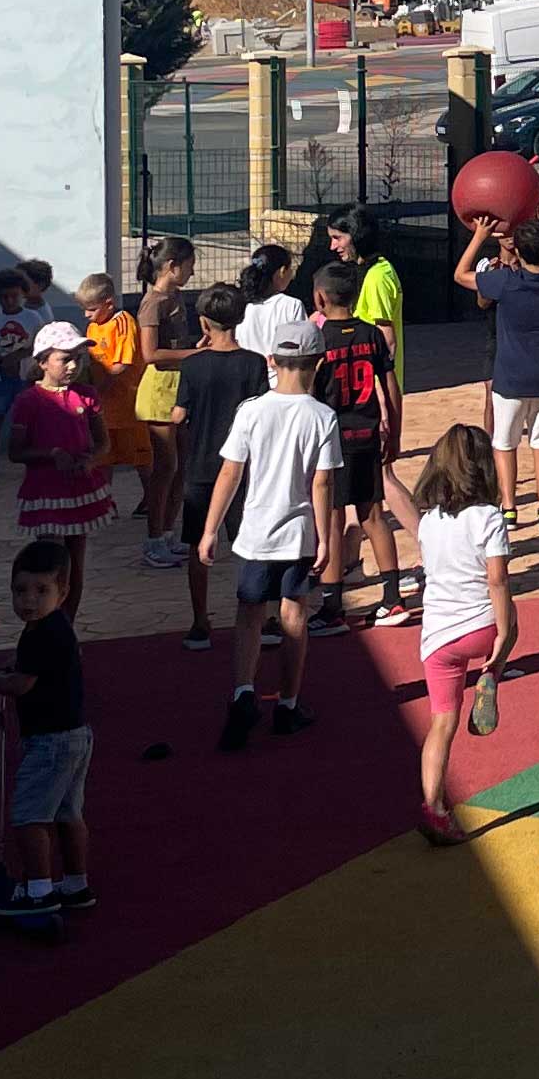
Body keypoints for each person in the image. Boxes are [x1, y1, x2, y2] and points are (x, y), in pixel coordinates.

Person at [203, 323, 345, 751]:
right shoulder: (322, 416)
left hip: (255, 532)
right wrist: (324, 538)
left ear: (271, 362)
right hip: (298, 533)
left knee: (248, 612)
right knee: (293, 615)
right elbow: (322, 484)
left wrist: (211, 529)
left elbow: (231, 471)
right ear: (318, 364)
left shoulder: (251, 411)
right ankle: (288, 703)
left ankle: (244, 692)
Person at [0, 540, 92, 918]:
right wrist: (8, 665)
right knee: (68, 812)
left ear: (62, 591)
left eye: (41, 591)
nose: (28, 601)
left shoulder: (42, 633)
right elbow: (31, 664)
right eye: (20, 591)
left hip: (50, 740)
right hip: (75, 734)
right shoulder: (53, 627)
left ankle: (38, 890)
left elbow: (22, 684)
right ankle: (75, 882)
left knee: (29, 816)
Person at [411, 425, 517, 847]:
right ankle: (492, 672)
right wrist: (504, 633)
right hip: (479, 627)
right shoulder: (489, 517)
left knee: (441, 722)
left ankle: (433, 806)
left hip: (437, 635)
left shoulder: (427, 521)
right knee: (512, 615)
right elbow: (497, 579)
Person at [461, 215, 539, 533]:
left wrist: (479, 235)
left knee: (505, 443)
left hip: (510, 379)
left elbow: (461, 274)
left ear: (519, 253)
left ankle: (509, 509)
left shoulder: (505, 282)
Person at [309, 262, 406, 632]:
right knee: (373, 516)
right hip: (367, 435)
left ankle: (332, 607)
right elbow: (390, 385)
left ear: (320, 297)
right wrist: (393, 431)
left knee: (331, 520)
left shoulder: (319, 340)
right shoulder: (372, 334)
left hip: (332, 440)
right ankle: (393, 599)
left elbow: (309, 391)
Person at [171, 285, 266, 652]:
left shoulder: (192, 365)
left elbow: (180, 413)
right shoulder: (254, 363)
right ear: (240, 319)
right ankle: (260, 615)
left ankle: (199, 623)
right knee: (251, 546)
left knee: (198, 545)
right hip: (245, 468)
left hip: (201, 467)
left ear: (203, 323)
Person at [12, 322, 114, 620]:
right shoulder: (29, 401)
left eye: (78, 358)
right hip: (46, 492)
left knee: (73, 565)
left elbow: (103, 443)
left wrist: (90, 460)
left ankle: (65, 626)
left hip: (80, 490)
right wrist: (51, 454)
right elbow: (16, 452)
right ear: (42, 362)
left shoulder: (87, 395)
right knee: (49, 562)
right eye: (64, 358)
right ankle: (43, 623)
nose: (73, 365)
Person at [75, 273, 159, 568]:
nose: (87, 315)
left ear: (108, 304)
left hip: (128, 404)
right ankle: (104, 502)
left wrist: (98, 391)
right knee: (104, 457)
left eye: (91, 309)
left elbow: (121, 365)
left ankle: (153, 501)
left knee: (141, 458)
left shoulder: (123, 322)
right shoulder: (92, 327)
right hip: (105, 409)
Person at [134, 237, 202, 568]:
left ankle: (167, 534)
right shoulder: (152, 302)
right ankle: (153, 539)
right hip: (160, 390)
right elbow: (150, 354)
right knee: (165, 468)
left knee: (182, 467)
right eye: (189, 265)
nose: (192, 271)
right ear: (172, 266)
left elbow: (176, 343)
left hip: (182, 387)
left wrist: (197, 344)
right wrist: (196, 354)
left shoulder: (177, 296)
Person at [327, 205, 408, 412]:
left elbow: (386, 339)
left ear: (356, 236)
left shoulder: (376, 277)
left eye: (338, 238)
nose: (332, 246)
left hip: (373, 387)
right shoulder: (368, 271)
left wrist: (382, 396)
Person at [0, 266, 41, 479]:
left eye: (14, 296)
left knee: (30, 419)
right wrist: (1, 361)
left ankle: (35, 457)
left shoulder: (32, 318)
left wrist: (18, 356)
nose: (10, 301)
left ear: (22, 294)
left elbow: (40, 345)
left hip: (26, 377)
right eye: (4, 297)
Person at [234, 243, 309, 359]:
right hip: (281, 375)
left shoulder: (240, 304)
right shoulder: (292, 305)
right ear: (282, 271)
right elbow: (301, 345)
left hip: (245, 373)